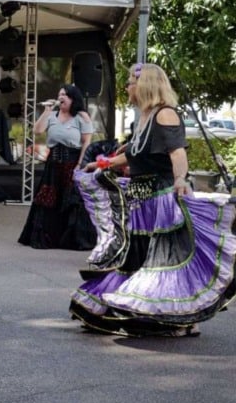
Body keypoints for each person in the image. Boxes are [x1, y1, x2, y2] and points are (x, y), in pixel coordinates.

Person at [71, 63, 236, 338]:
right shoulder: (145, 117)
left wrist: (181, 179)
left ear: (145, 84)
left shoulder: (165, 114)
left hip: (161, 199)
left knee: (163, 260)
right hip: (140, 198)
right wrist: (105, 164)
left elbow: (177, 153)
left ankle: (178, 319)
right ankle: (139, 309)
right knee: (137, 256)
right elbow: (134, 155)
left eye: (130, 83)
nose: (127, 88)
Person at [18, 84, 97, 250]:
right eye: (60, 94)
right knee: (48, 199)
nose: (61, 98)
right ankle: (47, 238)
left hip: (72, 162)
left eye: (65, 95)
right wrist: (46, 111)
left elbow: (86, 143)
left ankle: (72, 239)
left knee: (71, 200)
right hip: (53, 164)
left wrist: (80, 164)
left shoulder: (81, 117)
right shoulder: (52, 115)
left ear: (73, 99)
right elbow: (37, 131)